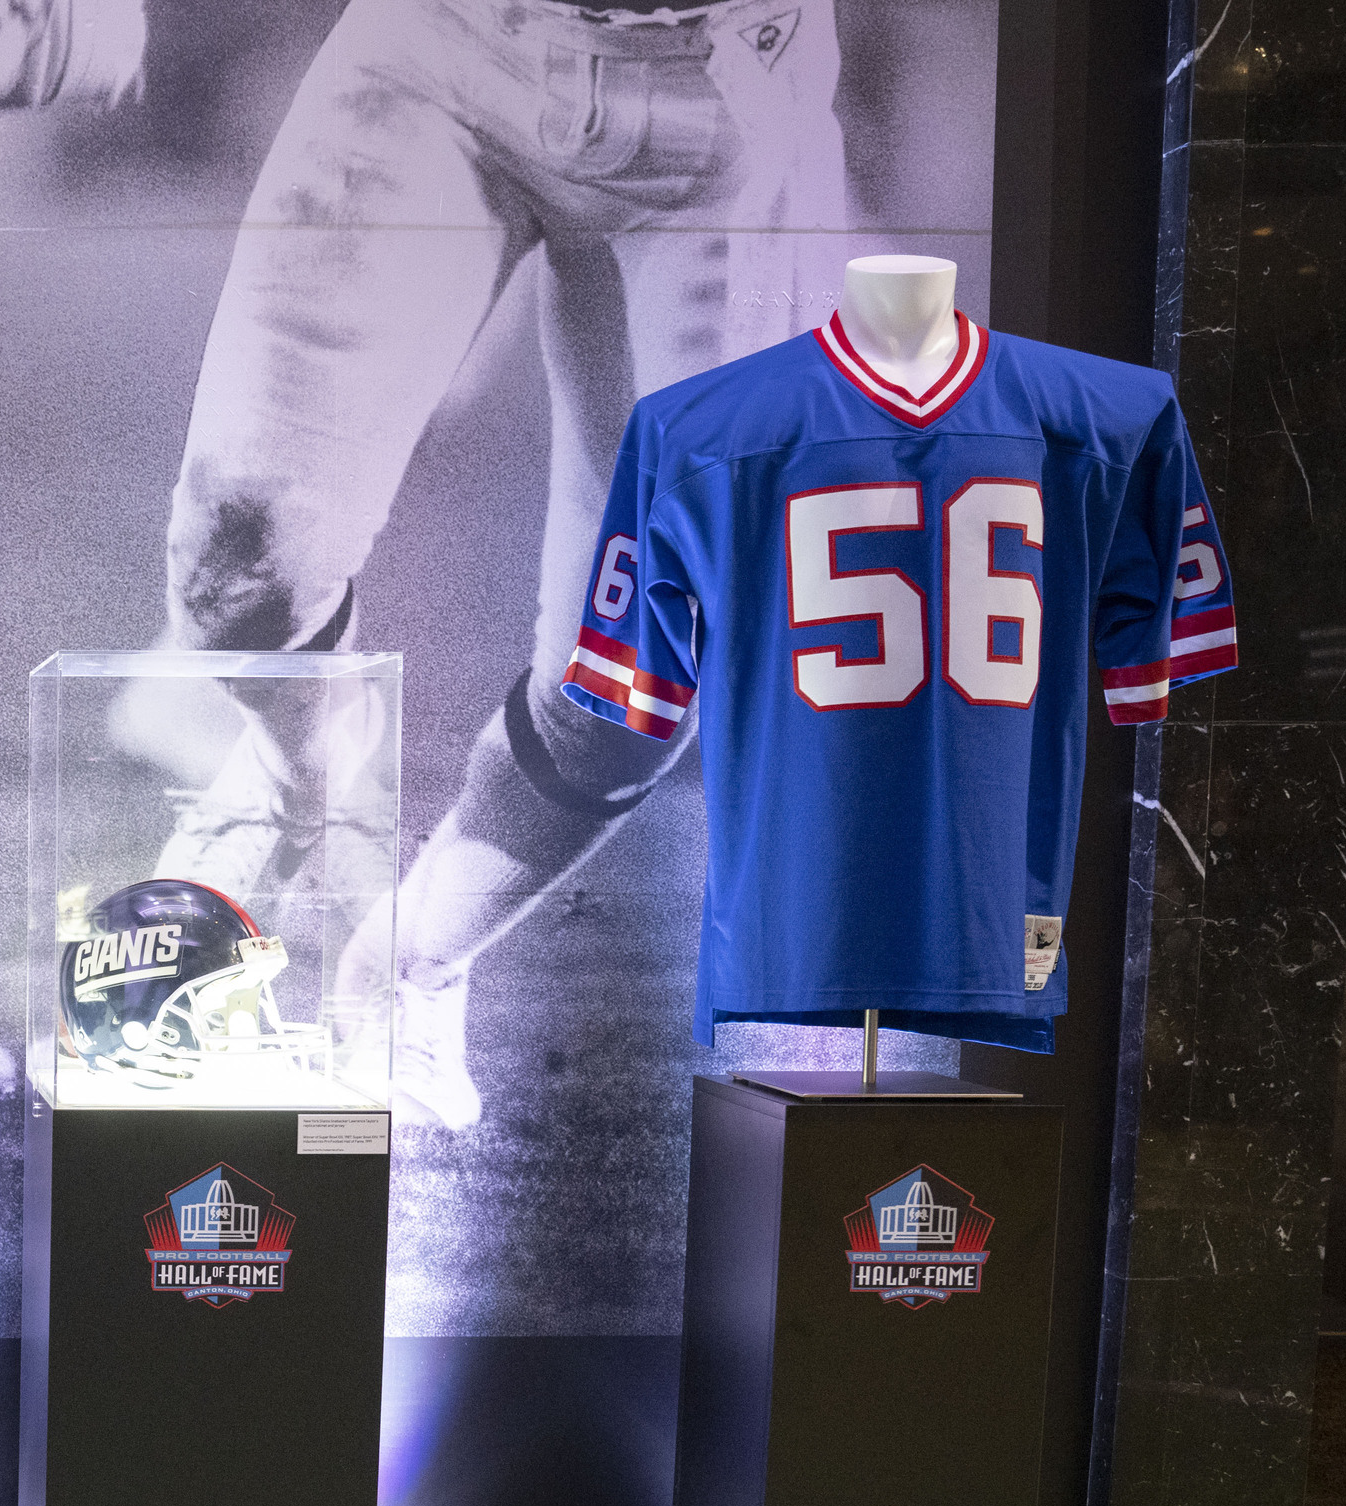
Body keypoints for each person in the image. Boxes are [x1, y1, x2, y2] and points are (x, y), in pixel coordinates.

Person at [148, 0, 850, 1129]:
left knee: (642, 674)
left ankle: (407, 967)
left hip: (728, 102)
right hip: (453, 39)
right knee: (242, 550)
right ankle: (294, 778)